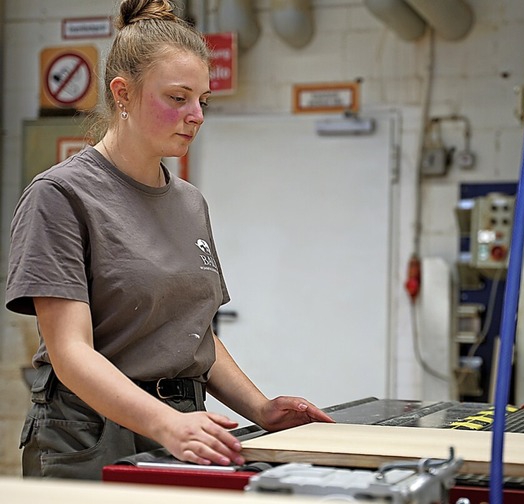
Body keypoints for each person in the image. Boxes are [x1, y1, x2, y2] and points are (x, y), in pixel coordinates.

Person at [5, 0, 333, 480]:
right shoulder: (60, 195)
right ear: (123, 93)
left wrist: (260, 410)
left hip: (181, 421)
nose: (196, 115)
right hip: (89, 432)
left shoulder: (189, 203)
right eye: (178, 98)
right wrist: (166, 424)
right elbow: (71, 353)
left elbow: (194, 334)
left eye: (203, 100)